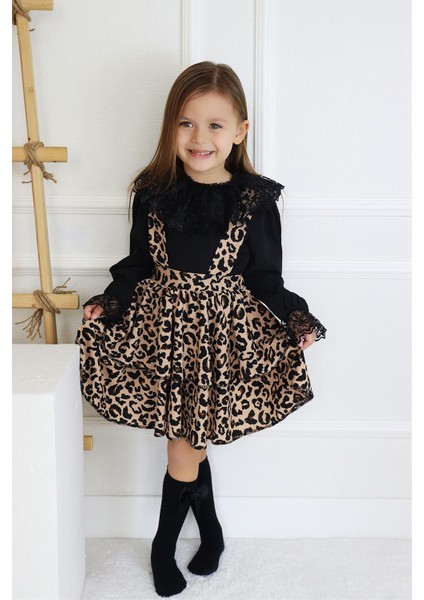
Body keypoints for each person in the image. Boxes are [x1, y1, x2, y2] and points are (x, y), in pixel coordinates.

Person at [76, 61, 326, 598]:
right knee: (187, 446)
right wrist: (110, 302)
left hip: (220, 342)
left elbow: (265, 277)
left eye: (215, 124)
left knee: (187, 446)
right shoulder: (153, 193)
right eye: (186, 123)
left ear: (240, 131)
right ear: (171, 127)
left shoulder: (254, 200)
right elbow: (138, 264)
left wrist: (295, 317)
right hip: (163, 337)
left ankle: (170, 544)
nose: (199, 137)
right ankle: (203, 535)